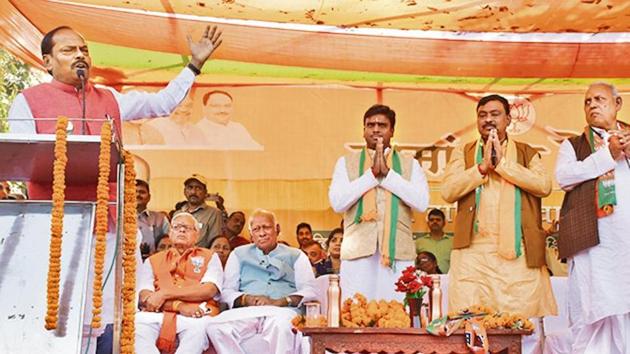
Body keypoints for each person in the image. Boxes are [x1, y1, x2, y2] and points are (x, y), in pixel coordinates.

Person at [7, 25, 223, 353]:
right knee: (55, 317)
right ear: (47, 62)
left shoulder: (109, 98)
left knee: (103, 320)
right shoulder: (27, 102)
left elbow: (162, 104)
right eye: (68, 50)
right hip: (51, 229)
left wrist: (194, 65)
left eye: (84, 49)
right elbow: (21, 159)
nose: (80, 55)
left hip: (105, 229)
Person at [441, 94, 556, 319]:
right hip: (473, 251)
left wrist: (502, 165)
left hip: (517, 250)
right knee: (470, 319)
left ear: (508, 120)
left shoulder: (527, 152)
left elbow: (543, 186)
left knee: (521, 320)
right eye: (482, 115)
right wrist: (481, 168)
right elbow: (448, 191)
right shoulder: (463, 152)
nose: (488, 120)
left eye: (495, 114)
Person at [555, 82, 630, 353]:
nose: (592, 105)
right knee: (589, 314)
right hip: (591, 244)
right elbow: (564, 177)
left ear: (617, 104)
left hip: (626, 244)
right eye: (587, 101)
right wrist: (606, 156)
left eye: (599, 99)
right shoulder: (573, 144)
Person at [328, 104, 430, 301]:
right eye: (370, 125)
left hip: (397, 254)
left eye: (382, 125)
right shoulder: (345, 163)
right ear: (363, 130)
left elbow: (421, 202)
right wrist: (372, 175)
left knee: (395, 316)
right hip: (358, 254)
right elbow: (338, 202)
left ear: (392, 130)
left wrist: (389, 175)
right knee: (356, 313)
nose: (375, 129)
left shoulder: (410, 164)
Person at [205, 209, 316, 354]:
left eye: (266, 227)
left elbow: (310, 291)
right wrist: (246, 299)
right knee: (215, 327)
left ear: (277, 229)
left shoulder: (296, 255)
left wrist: (281, 301)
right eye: (256, 229)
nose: (262, 233)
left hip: (282, 311)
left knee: (282, 326)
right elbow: (226, 291)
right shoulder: (238, 254)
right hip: (247, 312)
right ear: (251, 235)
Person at [136, 212, 223, 354]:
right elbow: (145, 296)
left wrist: (164, 294)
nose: (182, 230)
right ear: (170, 232)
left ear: (197, 235)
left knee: (199, 328)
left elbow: (209, 290)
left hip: (196, 314)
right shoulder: (153, 260)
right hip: (158, 313)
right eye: (177, 227)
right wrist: (179, 306)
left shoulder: (210, 256)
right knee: (138, 323)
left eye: (187, 228)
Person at [196, 90, 263, 150]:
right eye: (216, 106)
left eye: (227, 106)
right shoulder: (197, 131)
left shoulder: (238, 127)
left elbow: (258, 150)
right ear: (204, 109)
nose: (222, 110)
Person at [176, 174, 224, 249]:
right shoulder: (178, 214)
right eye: (190, 187)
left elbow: (215, 243)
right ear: (185, 191)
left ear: (205, 193)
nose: (193, 192)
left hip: (201, 258)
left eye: (198, 188)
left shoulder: (214, 213)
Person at [136, 179, 170, 259]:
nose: (137, 194)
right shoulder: (118, 219)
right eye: (134, 191)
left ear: (149, 197)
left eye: (142, 192)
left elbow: (169, 242)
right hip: (126, 265)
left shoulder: (161, 218)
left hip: (155, 264)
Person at [413, 208, 453, 273]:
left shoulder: (453, 242)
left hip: (448, 280)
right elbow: (416, 264)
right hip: (425, 281)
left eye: (438, 220)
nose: (435, 222)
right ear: (428, 223)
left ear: (444, 223)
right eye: (432, 220)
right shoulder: (419, 242)